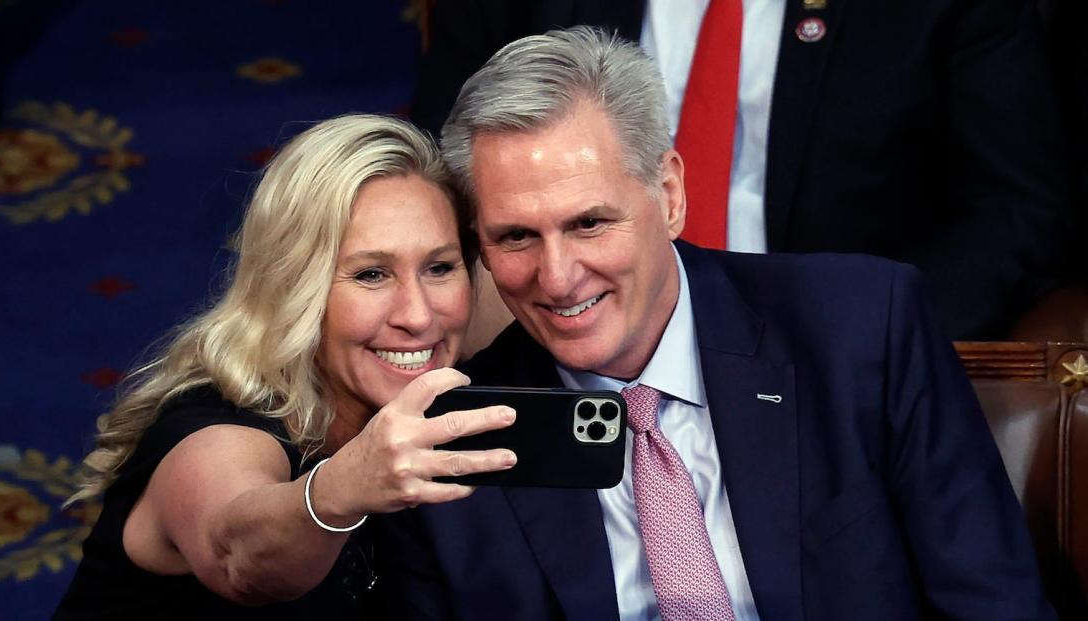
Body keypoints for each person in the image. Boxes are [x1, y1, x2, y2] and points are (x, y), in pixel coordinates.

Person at [380, 27, 1055, 620]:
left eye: (589, 222)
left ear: (668, 195)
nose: (557, 276)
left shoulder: (860, 330)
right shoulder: (455, 443)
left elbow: (995, 604)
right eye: (517, 237)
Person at [53, 114, 519, 620]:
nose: (418, 315)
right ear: (295, 287)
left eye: (439, 267)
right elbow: (241, 559)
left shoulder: (447, 320)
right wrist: (345, 487)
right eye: (370, 274)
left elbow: (548, 287)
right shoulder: (214, 435)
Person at [408, 0, 1076, 341]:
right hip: (566, 352)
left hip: (830, 360)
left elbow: (1020, 211)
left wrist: (868, 339)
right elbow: (436, 179)